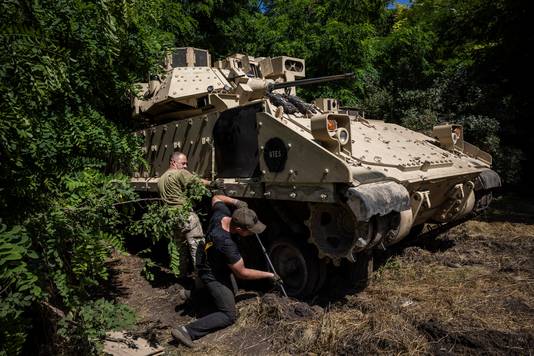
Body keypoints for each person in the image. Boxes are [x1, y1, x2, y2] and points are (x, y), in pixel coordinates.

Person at [170, 194, 278, 347]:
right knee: (228, 314)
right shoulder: (226, 244)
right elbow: (242, 273)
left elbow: (216, 198)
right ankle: (186, 331)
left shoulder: (222, 215)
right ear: (239, 229)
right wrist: (270, 274)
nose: (253, 233)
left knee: (232, 291)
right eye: (251, 230)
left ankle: (192, 295)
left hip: (210, 258)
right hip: (211, 271)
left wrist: (236, 202)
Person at [157, 151, 219, 268]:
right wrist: (212, 183)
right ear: (173, 162)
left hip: (172, 217)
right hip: (186, 216)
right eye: (183, 163)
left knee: (179, 249)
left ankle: (181, 276)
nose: (185, 166)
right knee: (198, 248)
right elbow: (197, 181)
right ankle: (201, 281)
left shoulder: (161, 179)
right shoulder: (179, 173)